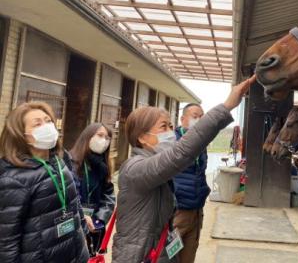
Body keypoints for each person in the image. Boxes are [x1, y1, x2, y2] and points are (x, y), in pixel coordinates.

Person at [112, 76, 255, 263]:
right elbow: (180, 153)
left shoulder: (154, 166)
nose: (170, 133)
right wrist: (226, 106)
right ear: (142, 138)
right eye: (164, 127)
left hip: (160, 250)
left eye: (171, 126)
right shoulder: (135, 168)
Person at [0, 101, 89, 263]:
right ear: (22, 135)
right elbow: (6, 242)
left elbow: (74, 205)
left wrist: (83, 233)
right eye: (37, 124)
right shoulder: (13, 179)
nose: (47, 126)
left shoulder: (60, 162)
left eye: (48, 121)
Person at [70, 123, 116, 256]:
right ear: (87, 136)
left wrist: (99, 219)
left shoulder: (103, 166)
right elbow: (68, 196)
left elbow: (109, 196)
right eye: (100, 135)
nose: (104, 141)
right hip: (74, 223)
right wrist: (81, 216)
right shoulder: (70, 161)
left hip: (94, 226)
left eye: (107, 138)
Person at [172, 103, 208, 263]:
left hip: (196, 212)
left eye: (201, 117)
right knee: (170, 255)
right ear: (182, 118)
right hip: (178, 213)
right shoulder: (172, 142)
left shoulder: (201, 143)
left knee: (188, 256)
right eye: (195, 116)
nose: (199, 120)